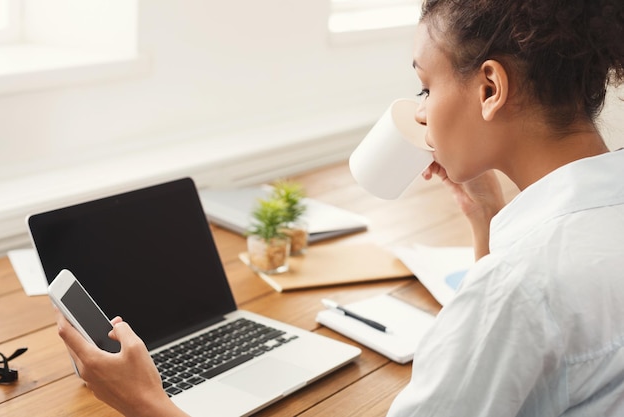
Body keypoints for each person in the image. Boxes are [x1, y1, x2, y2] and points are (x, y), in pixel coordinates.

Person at [56, 0, 624, 415]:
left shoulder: (516, 289)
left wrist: (148, 403)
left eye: (426, 86)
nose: (421, 110)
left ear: (490, 89)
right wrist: (486, 218)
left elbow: (510, 309)